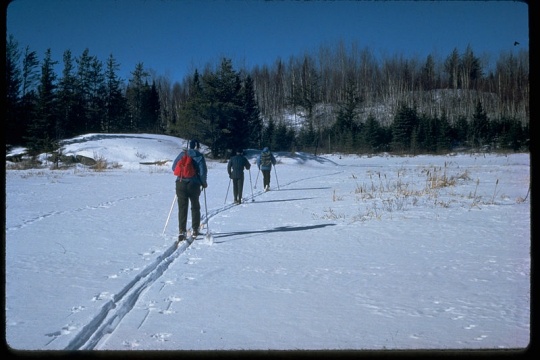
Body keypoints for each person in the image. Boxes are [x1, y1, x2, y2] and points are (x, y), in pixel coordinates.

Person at [171, 139, 208, 242]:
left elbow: (174, 167)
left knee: (182, 207)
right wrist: (203, 183)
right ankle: (195, 229)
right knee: (195, 206)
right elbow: (203, 172)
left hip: (180, 183)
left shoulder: (182, 154)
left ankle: (182, 231)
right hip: (194, 184)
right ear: (197, 146)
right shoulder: (199, 156)